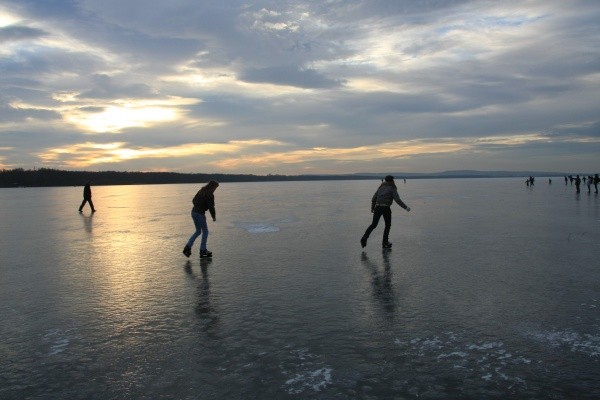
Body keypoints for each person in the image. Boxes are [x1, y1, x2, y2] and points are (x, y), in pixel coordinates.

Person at [360, 175, 410, 249]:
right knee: (387, 225)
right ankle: (385, 242)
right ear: (392, 180)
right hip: (386, 208)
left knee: (374, 224)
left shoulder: (381, 187)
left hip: (378, 207)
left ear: (386, 180)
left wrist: (373, 207)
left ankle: (364, 237)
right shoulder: (392, 188)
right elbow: (397, 199)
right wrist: (405, 207)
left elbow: (374, 198)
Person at [183, 180, 219, 258]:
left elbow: (193, 200)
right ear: (213, 187)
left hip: (193, 212)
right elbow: (211, 207)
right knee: (205, 231)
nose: (215, 189)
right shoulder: (210, 194)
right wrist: (213, 216)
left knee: (198, 231)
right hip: (199, 214)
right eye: (215, 187)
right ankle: (203, 250)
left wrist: (198, 206)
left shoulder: (201, 190)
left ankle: (187, 247)